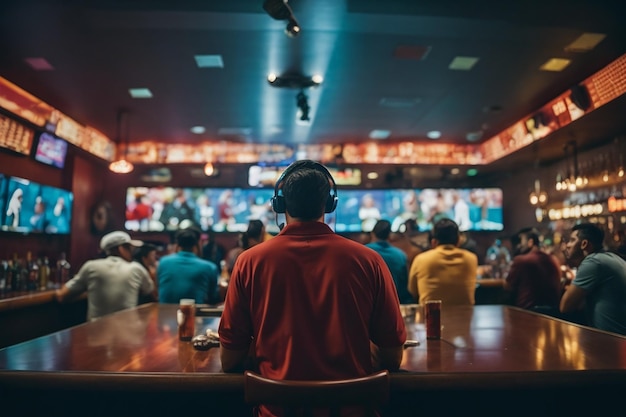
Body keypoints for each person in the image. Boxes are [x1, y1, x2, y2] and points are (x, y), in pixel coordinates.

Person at [219, 160, 406, 416]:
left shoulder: (249, 262)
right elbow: (393, 357)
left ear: (279, 204)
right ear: (329, 205)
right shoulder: (369, 261)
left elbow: (229, 360)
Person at [55, 231, 155, 321]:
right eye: (129, 248)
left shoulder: (91, 266)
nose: (131, 252)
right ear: (120, 249)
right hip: (130, 337)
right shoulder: (136, 268)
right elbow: (153, 295)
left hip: (95, 336)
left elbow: (61, 295)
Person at [560, 223, 626, 335]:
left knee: (542, 313)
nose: (567, 245)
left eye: (572, 240)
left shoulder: (593, 262)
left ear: (584, 244)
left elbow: (565, 307)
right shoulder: (609, 257)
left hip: (611, 341)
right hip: (618, 337)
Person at [408, 218, 478, 305]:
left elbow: (412, 291)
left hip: (431, 316)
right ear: (458, 241)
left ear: (434, 242)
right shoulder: (471, 259)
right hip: (465, 316)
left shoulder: (421, 259)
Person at [157, 227, 220, 305]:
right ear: (196, 246)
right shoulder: (210, 267)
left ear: (177, 246)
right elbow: (213, 298)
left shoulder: (163, 262)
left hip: (164, 314)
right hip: (194, 314)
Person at [505, 228, 561, 310]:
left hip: (527, 313)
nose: (519, 245)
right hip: (553, 314)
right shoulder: (553, 259)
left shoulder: (521, 260)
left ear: (530, 242)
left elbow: (507, 286)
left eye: (521, 241)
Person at [366, 219, 413, 304]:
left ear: (372, 234)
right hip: (396, 304)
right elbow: (406, 287)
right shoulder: (401, 255)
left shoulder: (363, 252)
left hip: (368, 304)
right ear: (389, 236)